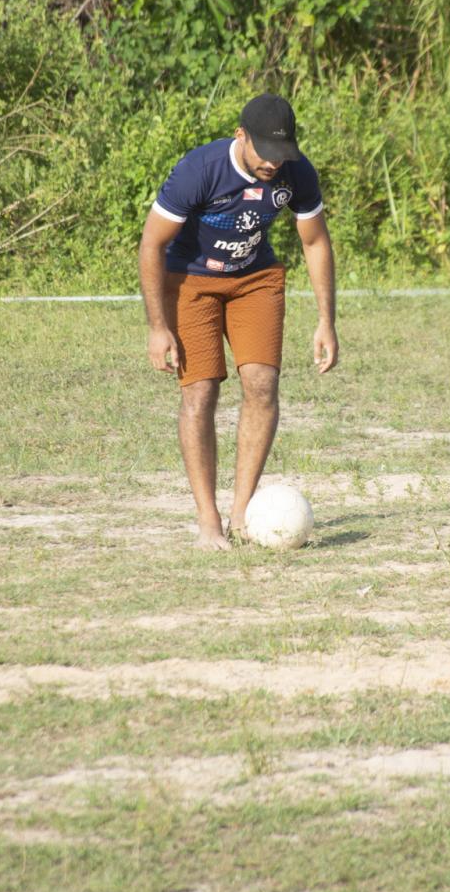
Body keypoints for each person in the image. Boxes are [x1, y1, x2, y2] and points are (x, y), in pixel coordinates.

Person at [138, 93, 339, 550]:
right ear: (241, 136)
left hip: (255, 280)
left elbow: (315, 242)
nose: (273, 163)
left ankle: (242, 514)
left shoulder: (296, 172)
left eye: (282, 154)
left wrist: (326, 320)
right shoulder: (199, 170)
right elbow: (152, 245)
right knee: (200, 392)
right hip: (189, 281)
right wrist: (157, 326)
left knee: (263, 384)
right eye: (265, 152)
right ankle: (208, 520)